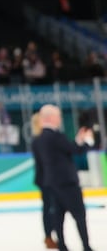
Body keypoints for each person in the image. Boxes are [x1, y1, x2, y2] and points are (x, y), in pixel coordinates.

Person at [32, 104, 95, 251]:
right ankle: (86, 246)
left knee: (57, 217)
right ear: (52, 118)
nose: (60, 119)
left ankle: (61, 244)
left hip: (50, 183)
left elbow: (65, 150)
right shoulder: (56, 136)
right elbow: (75, 150)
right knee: (79, 215)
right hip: (66, 182)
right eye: (58, 116)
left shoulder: (38, 139)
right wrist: (87, 141)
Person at [30, 111, 59, 249]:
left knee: (50, 208)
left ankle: (50, 235)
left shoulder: (38, 140)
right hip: (47, 179)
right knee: (50, 209)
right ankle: (49, 236)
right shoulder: (40, 140)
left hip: (45, 178)